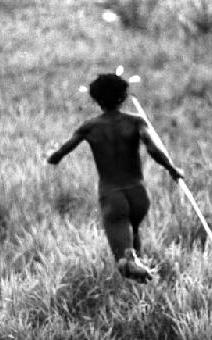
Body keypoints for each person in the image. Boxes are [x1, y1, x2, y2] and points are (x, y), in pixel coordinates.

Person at [47, 73, 183, 283]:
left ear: (96, 99)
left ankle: (128, 260)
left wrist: (53, 157)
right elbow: (153, 148)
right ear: (124, 96)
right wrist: (172, 168)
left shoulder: (89, 127)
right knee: (133, 231)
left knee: (121, 251)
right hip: (138, 194)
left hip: (112, 195)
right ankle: (136, 269)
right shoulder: (136, 122)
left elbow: (62, 151)